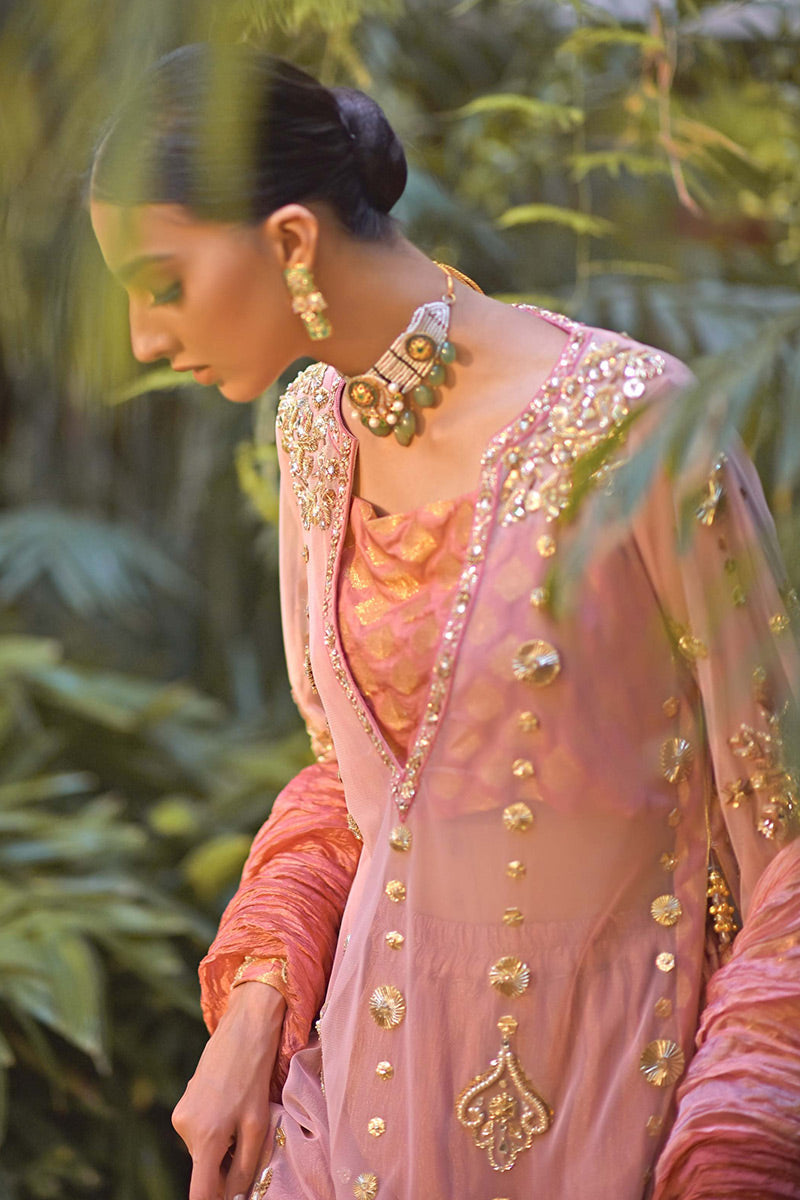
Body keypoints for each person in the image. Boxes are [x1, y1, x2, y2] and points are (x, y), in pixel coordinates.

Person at [89, 42, 800, 1200]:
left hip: (613, 1110)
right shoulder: (314, 434)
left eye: (161, 283)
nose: (143, 340)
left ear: (290, 241)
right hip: (359, 1114)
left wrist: (740, 1142)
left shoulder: (632, 428)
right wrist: (255, 1009)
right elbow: (363, 789)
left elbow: (782, 825)